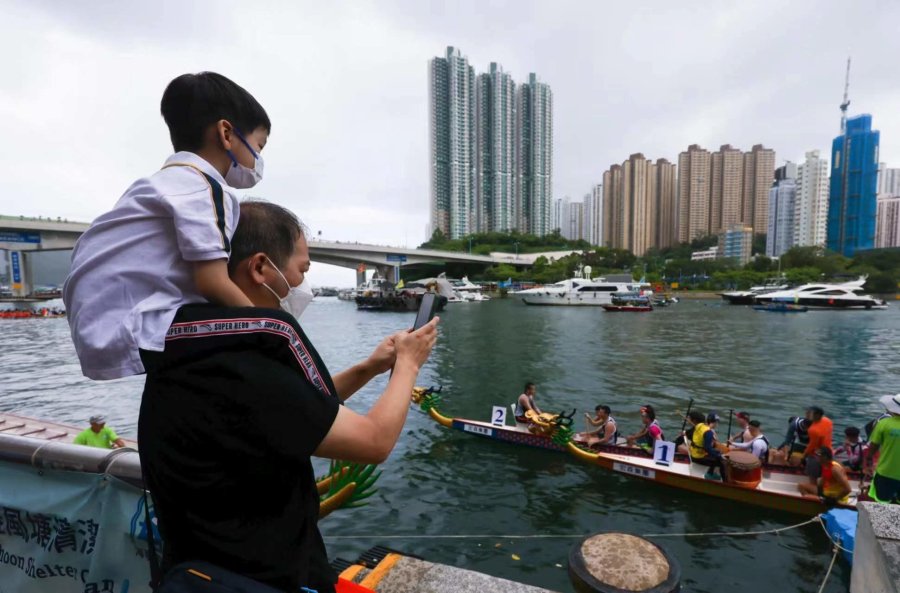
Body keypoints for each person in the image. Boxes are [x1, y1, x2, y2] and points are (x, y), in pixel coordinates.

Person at [137, 201, 439, 592]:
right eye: (302, 270)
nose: (303, 284)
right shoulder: (240, 366)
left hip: (206, 571)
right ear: (261, 268)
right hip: (259, 579)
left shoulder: (200, 346)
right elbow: (373, 440)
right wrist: (409, 365)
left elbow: (302, 410)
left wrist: (370, 367)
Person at [63, 72, 270, 381]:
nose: (258, 159)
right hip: (137, 327)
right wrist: (266, 328)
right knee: (279, 331)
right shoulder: (206, 187)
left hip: (97, 327)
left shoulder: (150, 185)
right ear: (226, 134)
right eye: (258, 145)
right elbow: (211, 283)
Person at [864, 393, 900, 504]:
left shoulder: (884, 424)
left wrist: (869, 462)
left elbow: (873, 446)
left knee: (882, 504)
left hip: (885, 472)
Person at [686, 411, 726, 480]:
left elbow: (689, 434)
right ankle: (716, 477)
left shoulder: (700, 425)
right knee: (722, 461)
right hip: (698, 457)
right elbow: (707, 448)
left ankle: (712, 472)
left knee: (716, 454)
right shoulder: (709, 432)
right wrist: (719, 454)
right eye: (717, 422)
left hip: (693, 452)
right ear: (715, 423)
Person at [803, 406, 834, 484]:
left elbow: (811, 446)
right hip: (829, 453)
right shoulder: (828, 421)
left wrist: (804, 456)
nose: (806, 414)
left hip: (817, 456)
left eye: (809, 413)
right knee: (825, 478)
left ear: (817, 415)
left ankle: (813, 492)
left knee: (812, 479)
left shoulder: (813, 429)